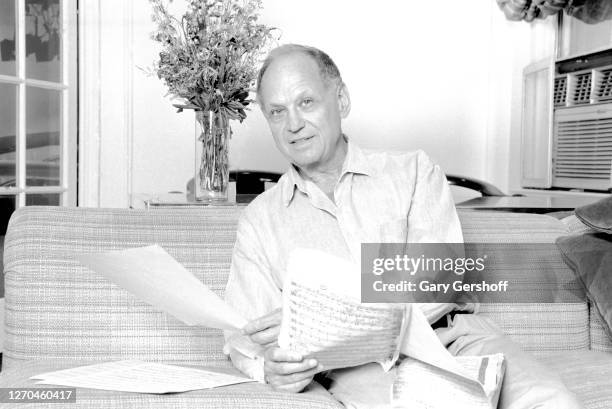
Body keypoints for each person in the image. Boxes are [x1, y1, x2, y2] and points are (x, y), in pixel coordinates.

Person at [223, 44, 583, 409]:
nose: (293, 124)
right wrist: (268, 366)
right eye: (277, 112)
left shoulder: (413, 172)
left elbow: (436, 281)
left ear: (342, 100)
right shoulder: (260, 219)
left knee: (553, 401)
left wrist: (331, 316)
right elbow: (244, 335)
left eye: (307, 102)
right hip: (356, 367)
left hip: (454, 339)